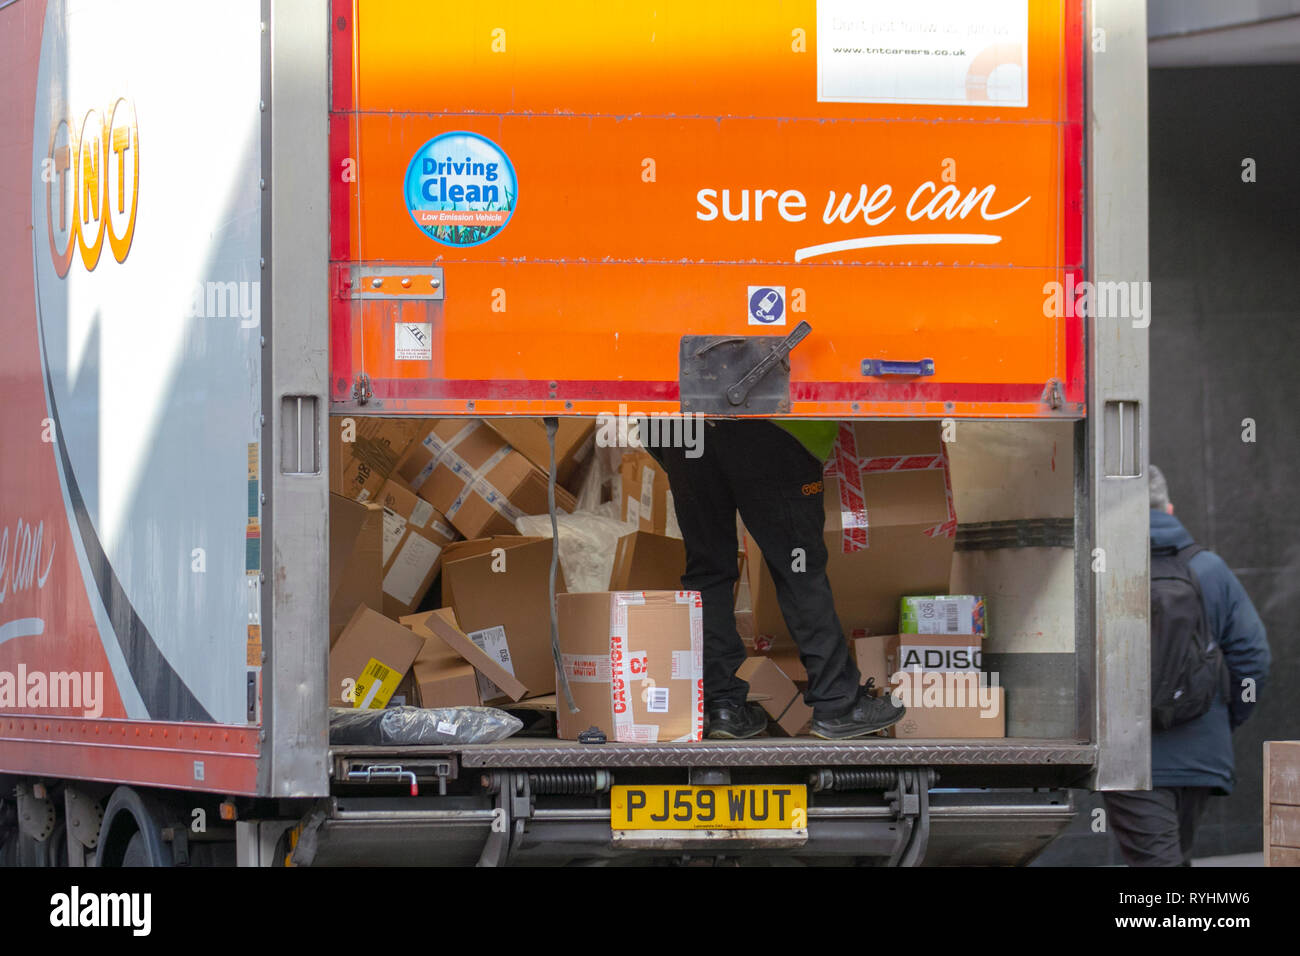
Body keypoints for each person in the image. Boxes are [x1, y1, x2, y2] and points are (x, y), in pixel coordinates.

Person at [650, 418, 905, 739]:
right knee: (799, 569)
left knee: (707, 571)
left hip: (677, 425)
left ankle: (723, 706)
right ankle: (837, 703)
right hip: (768, 419)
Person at [1101, 464, 1270, 866]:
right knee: (1174, 857)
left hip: (1131, 757)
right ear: (1170, 510)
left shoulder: (1104, 571)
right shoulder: (1212, 569)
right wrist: (1223, 721)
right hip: (1201, 754)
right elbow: (1254, 658)